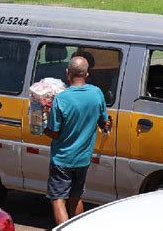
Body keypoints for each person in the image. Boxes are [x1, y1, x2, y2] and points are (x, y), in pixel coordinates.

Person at [43, 56, 111, 225]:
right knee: (76, 197)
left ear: (67, 73)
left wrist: (43, 124)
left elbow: (54, 133)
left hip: (62, 160)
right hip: (83, 159)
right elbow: (104, 122)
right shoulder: (97, 93)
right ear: (87, 74)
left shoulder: (61, 99)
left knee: (58, 199)